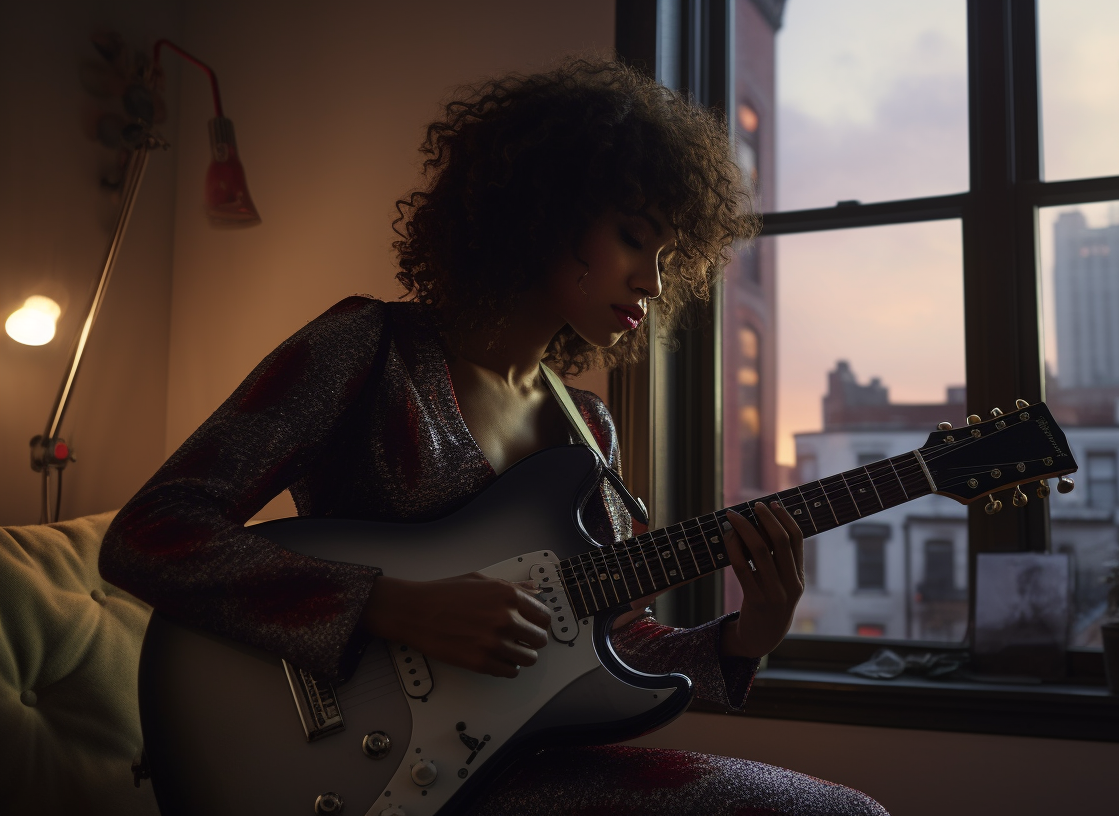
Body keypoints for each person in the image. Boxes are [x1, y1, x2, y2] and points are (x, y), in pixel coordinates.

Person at [100, 58, 888, 816]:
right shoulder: (366, 348)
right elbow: (150, 534)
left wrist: (751, 633)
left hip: (511, 766)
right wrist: (389, 606)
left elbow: (606, 645)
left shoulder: (590, 429)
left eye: (667, 256)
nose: (652, 280)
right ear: (541, 207)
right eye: (632, 236)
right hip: (358, 763)